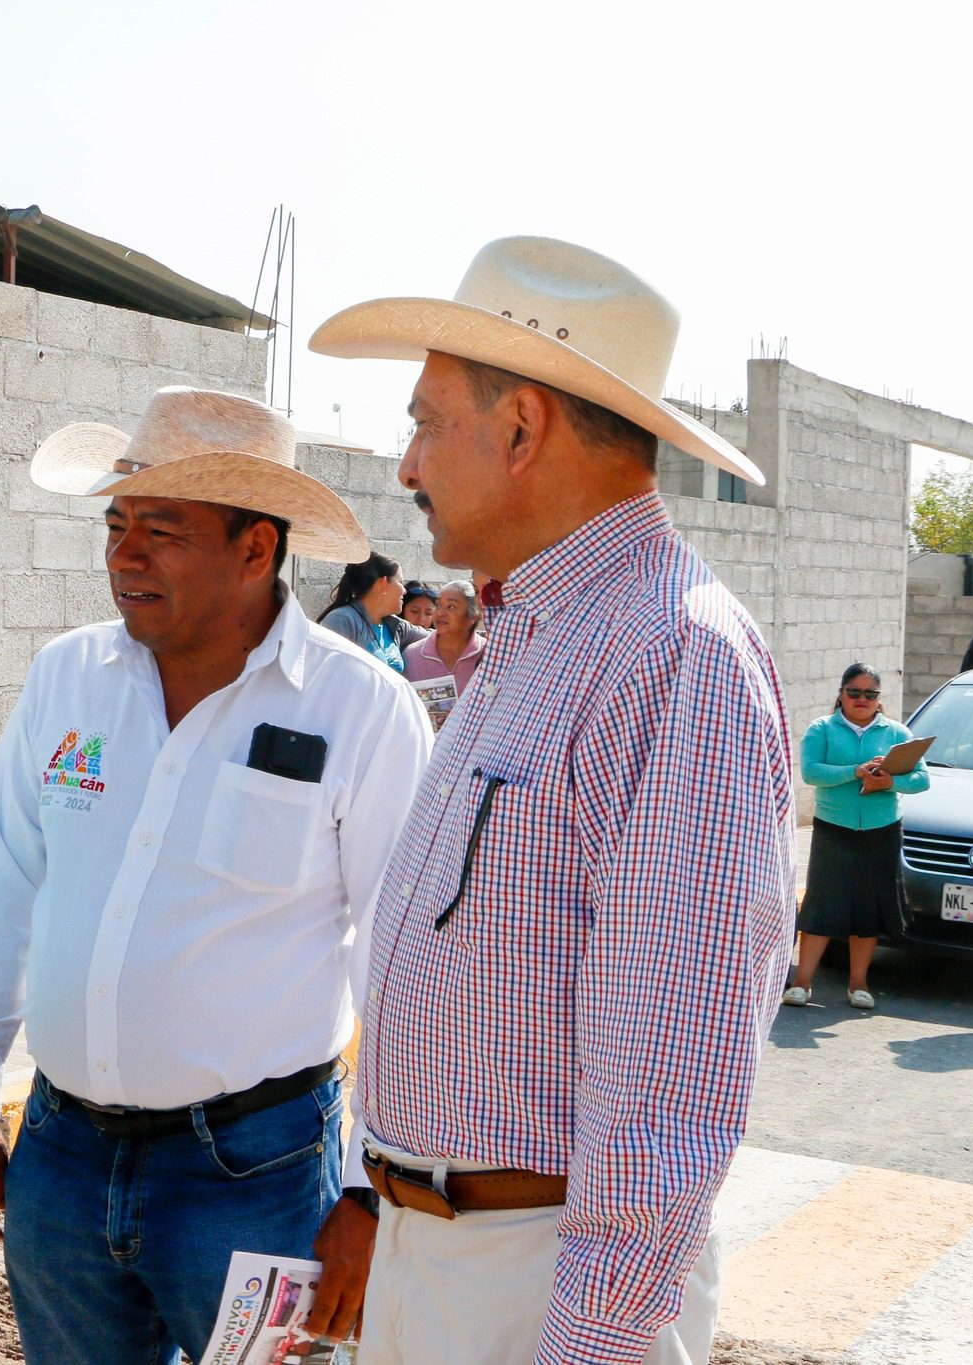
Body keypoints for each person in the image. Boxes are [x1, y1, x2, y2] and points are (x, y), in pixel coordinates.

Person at [308, 236, 795, 1363]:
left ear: (521, 427)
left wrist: (594, 1343)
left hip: (532, 1276)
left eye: (426, 422)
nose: (405, 464)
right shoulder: (536, 634)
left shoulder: (672, 653)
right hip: (447, 1250)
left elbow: (670, 1080)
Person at [0, 386, 433, 1364]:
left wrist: (375, 1193)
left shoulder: (359, 710)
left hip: (257, 1175)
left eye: (158, 529)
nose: (122, 553)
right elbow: (6, 894)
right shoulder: (64, 679)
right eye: (115, 525)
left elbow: (399, 966)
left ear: (254, 548)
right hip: (60, 1163)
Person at [787, 664, 930, 1009]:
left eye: (871, 694)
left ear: (880, 699)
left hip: (881, 831)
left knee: (868, 911)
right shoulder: (822, 728)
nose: (861, 699)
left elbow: (922, 780)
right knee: (821, 905)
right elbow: (811, 773)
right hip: (834, 830)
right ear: (841, 694)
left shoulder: (897, 733)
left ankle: (859, 985)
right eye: (854, 692)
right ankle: (802, 983)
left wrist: (889, 782)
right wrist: (856, 771)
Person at [317, 553, 410, 672]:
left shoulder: (396, 626)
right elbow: (326, 672)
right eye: (401, 582)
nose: (405, 590)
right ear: (383, 584)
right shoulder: (342, 620)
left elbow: (436, 634)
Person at [400, 579, 486, 696]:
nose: (440, 613)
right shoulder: (411, 655)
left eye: (451, 607)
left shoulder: (488, 655)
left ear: (474, 616)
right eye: (438, 605)